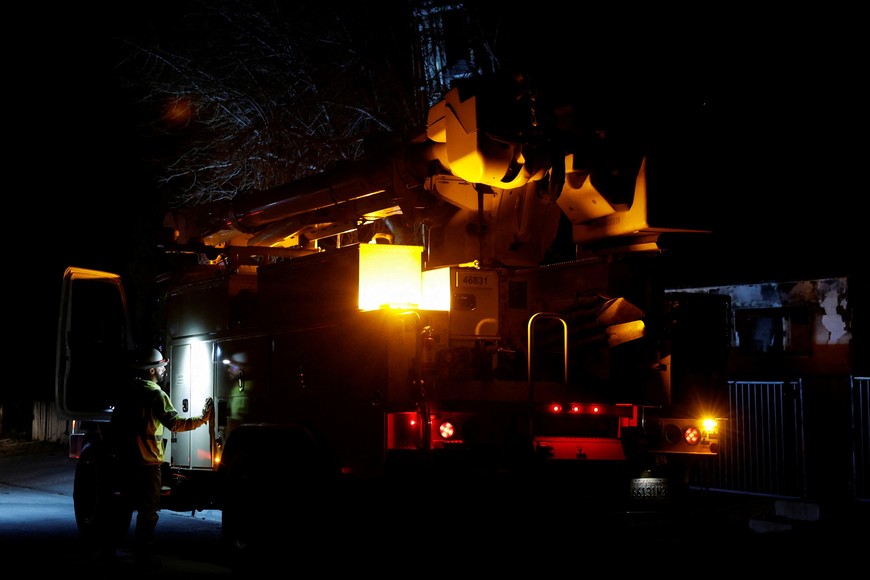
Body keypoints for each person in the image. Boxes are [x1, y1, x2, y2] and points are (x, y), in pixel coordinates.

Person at [103, 347, 213, 569]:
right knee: (148, 512)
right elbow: (175, 423)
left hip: (126, 462)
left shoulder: (127, 392)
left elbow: (115, 428)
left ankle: (110, 552)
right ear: (151, 370)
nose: (164, 371)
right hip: (148, 464)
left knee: (123, 508)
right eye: (161, 367)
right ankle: (142, 556)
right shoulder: (156, 395)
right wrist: (202, 418)